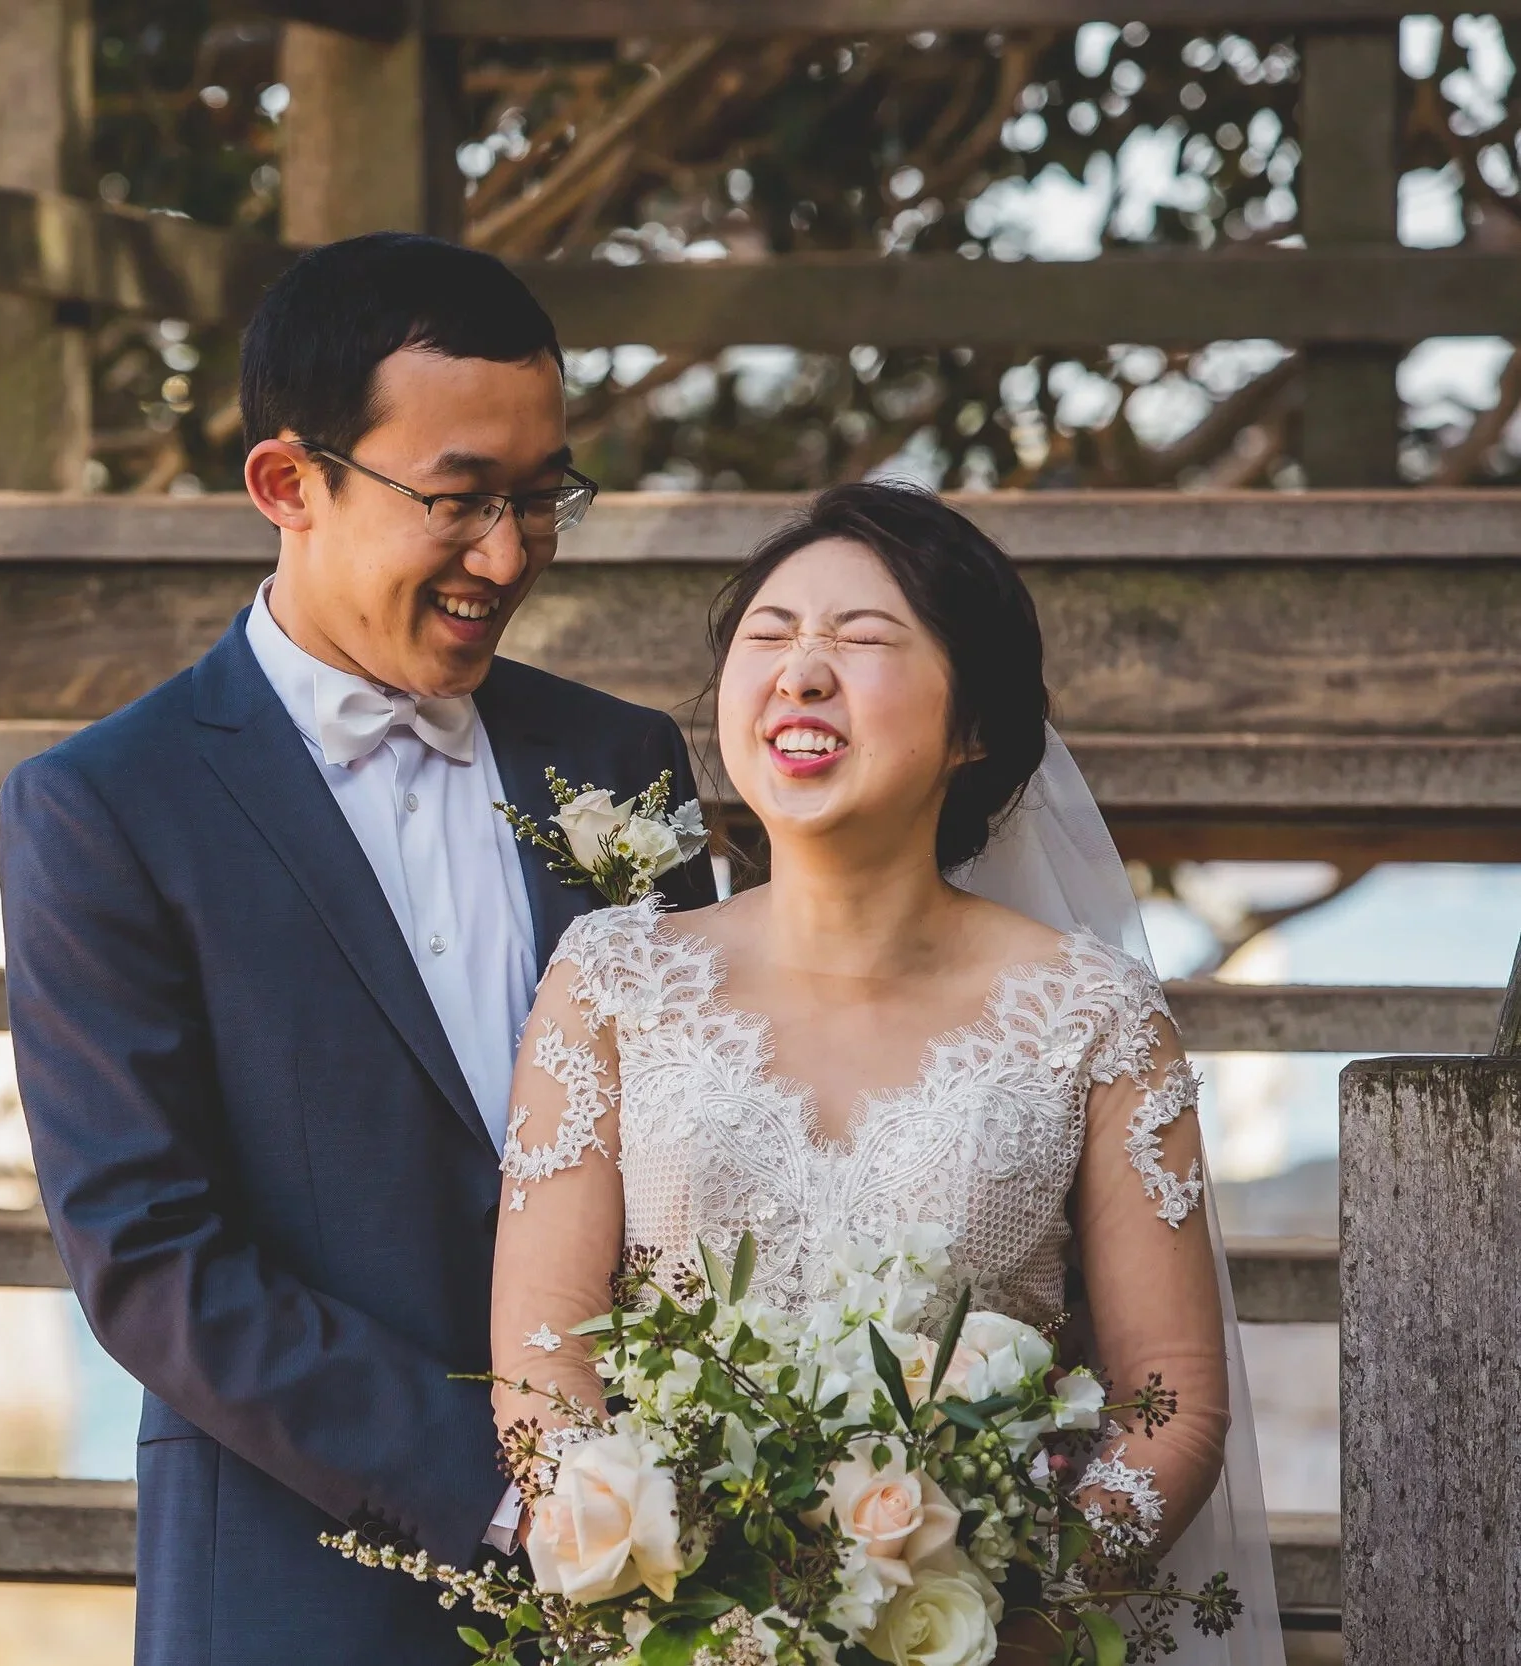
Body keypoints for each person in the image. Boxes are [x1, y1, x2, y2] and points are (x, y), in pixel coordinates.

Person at [0, 232, 716, 1666]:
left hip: (675, 1577)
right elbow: (150, 1253)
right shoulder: (105, 808)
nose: (508, 556)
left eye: (541, 497)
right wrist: (516, 1495)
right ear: (289, 484)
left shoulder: (621, 759)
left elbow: (712, 1139)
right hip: (301, 1580)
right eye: (458, 501)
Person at [488, 481, 1283, 1665]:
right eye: (769, 636)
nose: (801, 672)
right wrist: (692, 1606)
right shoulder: (612, 980)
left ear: (973, 725)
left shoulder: (1092, 1015)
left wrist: (983, 1610)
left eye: (860, 640)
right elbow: (544, 1366)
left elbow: (1171, 1402)